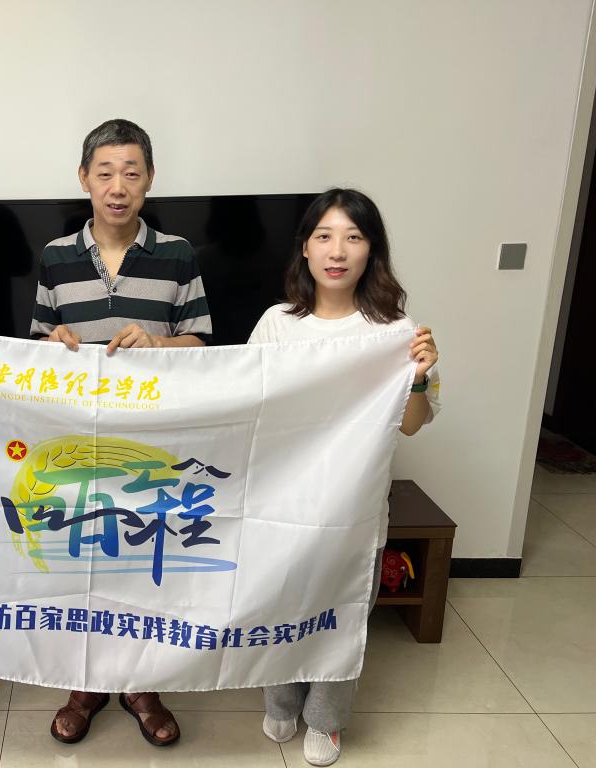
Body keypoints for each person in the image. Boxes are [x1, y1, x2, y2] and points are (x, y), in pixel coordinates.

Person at [30, 118, 212, 747]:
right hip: (77, 441)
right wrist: (52, 341)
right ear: (84, 178)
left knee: (143, 562)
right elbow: (34, 347)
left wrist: (160, 343)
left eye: (131, 172)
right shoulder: (55, 257)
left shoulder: (178, 253)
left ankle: (141, 684)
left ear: (150, 179)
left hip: (152, 442)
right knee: (80, 561)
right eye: (104, 172)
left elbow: (203, 343)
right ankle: (85, 684)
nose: (117, 186)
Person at [248, 188, 439, 766]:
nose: (338, 251)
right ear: (305, 248)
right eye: (325, 236)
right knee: (280, 602)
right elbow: (244, 405)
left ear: (370, 250)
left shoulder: (393, 329)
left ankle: (327, 721)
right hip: (283, 503)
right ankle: (281, 700)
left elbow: (412, 424)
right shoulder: (278, 323)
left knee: (342, 612)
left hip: (354, 508)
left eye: (353, 237)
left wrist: (420, 377)